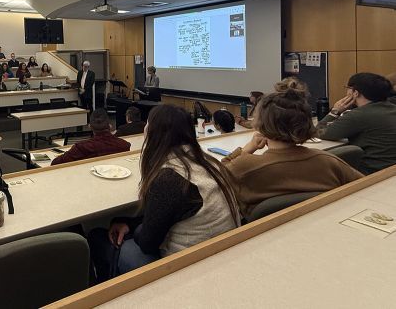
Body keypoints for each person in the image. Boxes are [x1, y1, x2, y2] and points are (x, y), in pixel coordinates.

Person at [88, 104, 240, 282]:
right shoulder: (210, 163)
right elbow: (171, 212)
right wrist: (133, 224)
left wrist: (135, 229)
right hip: (222, 256)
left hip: (188, 271)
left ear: (153, 133)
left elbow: (148, 244)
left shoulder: (169, 179)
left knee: (98, 237)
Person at [222, 89, 363, 218]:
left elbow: (217, 173)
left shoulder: (243, 166)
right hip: (320, 226)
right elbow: (365, 186)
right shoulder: (328, 161)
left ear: (260, 125)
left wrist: (247, 149)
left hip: (260, 236)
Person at [317, 72, 396, 174]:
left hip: (371, 173)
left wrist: (335, 111)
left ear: (355, 93)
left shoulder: (358, 115)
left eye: (348, 87)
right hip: (391, 171)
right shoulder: (392, 108)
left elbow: (319, 132)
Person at [52, 108, 130, 165]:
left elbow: (55, 163)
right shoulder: (124, 145)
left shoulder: (81, 147)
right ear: (110, 126)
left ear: (90, 126)